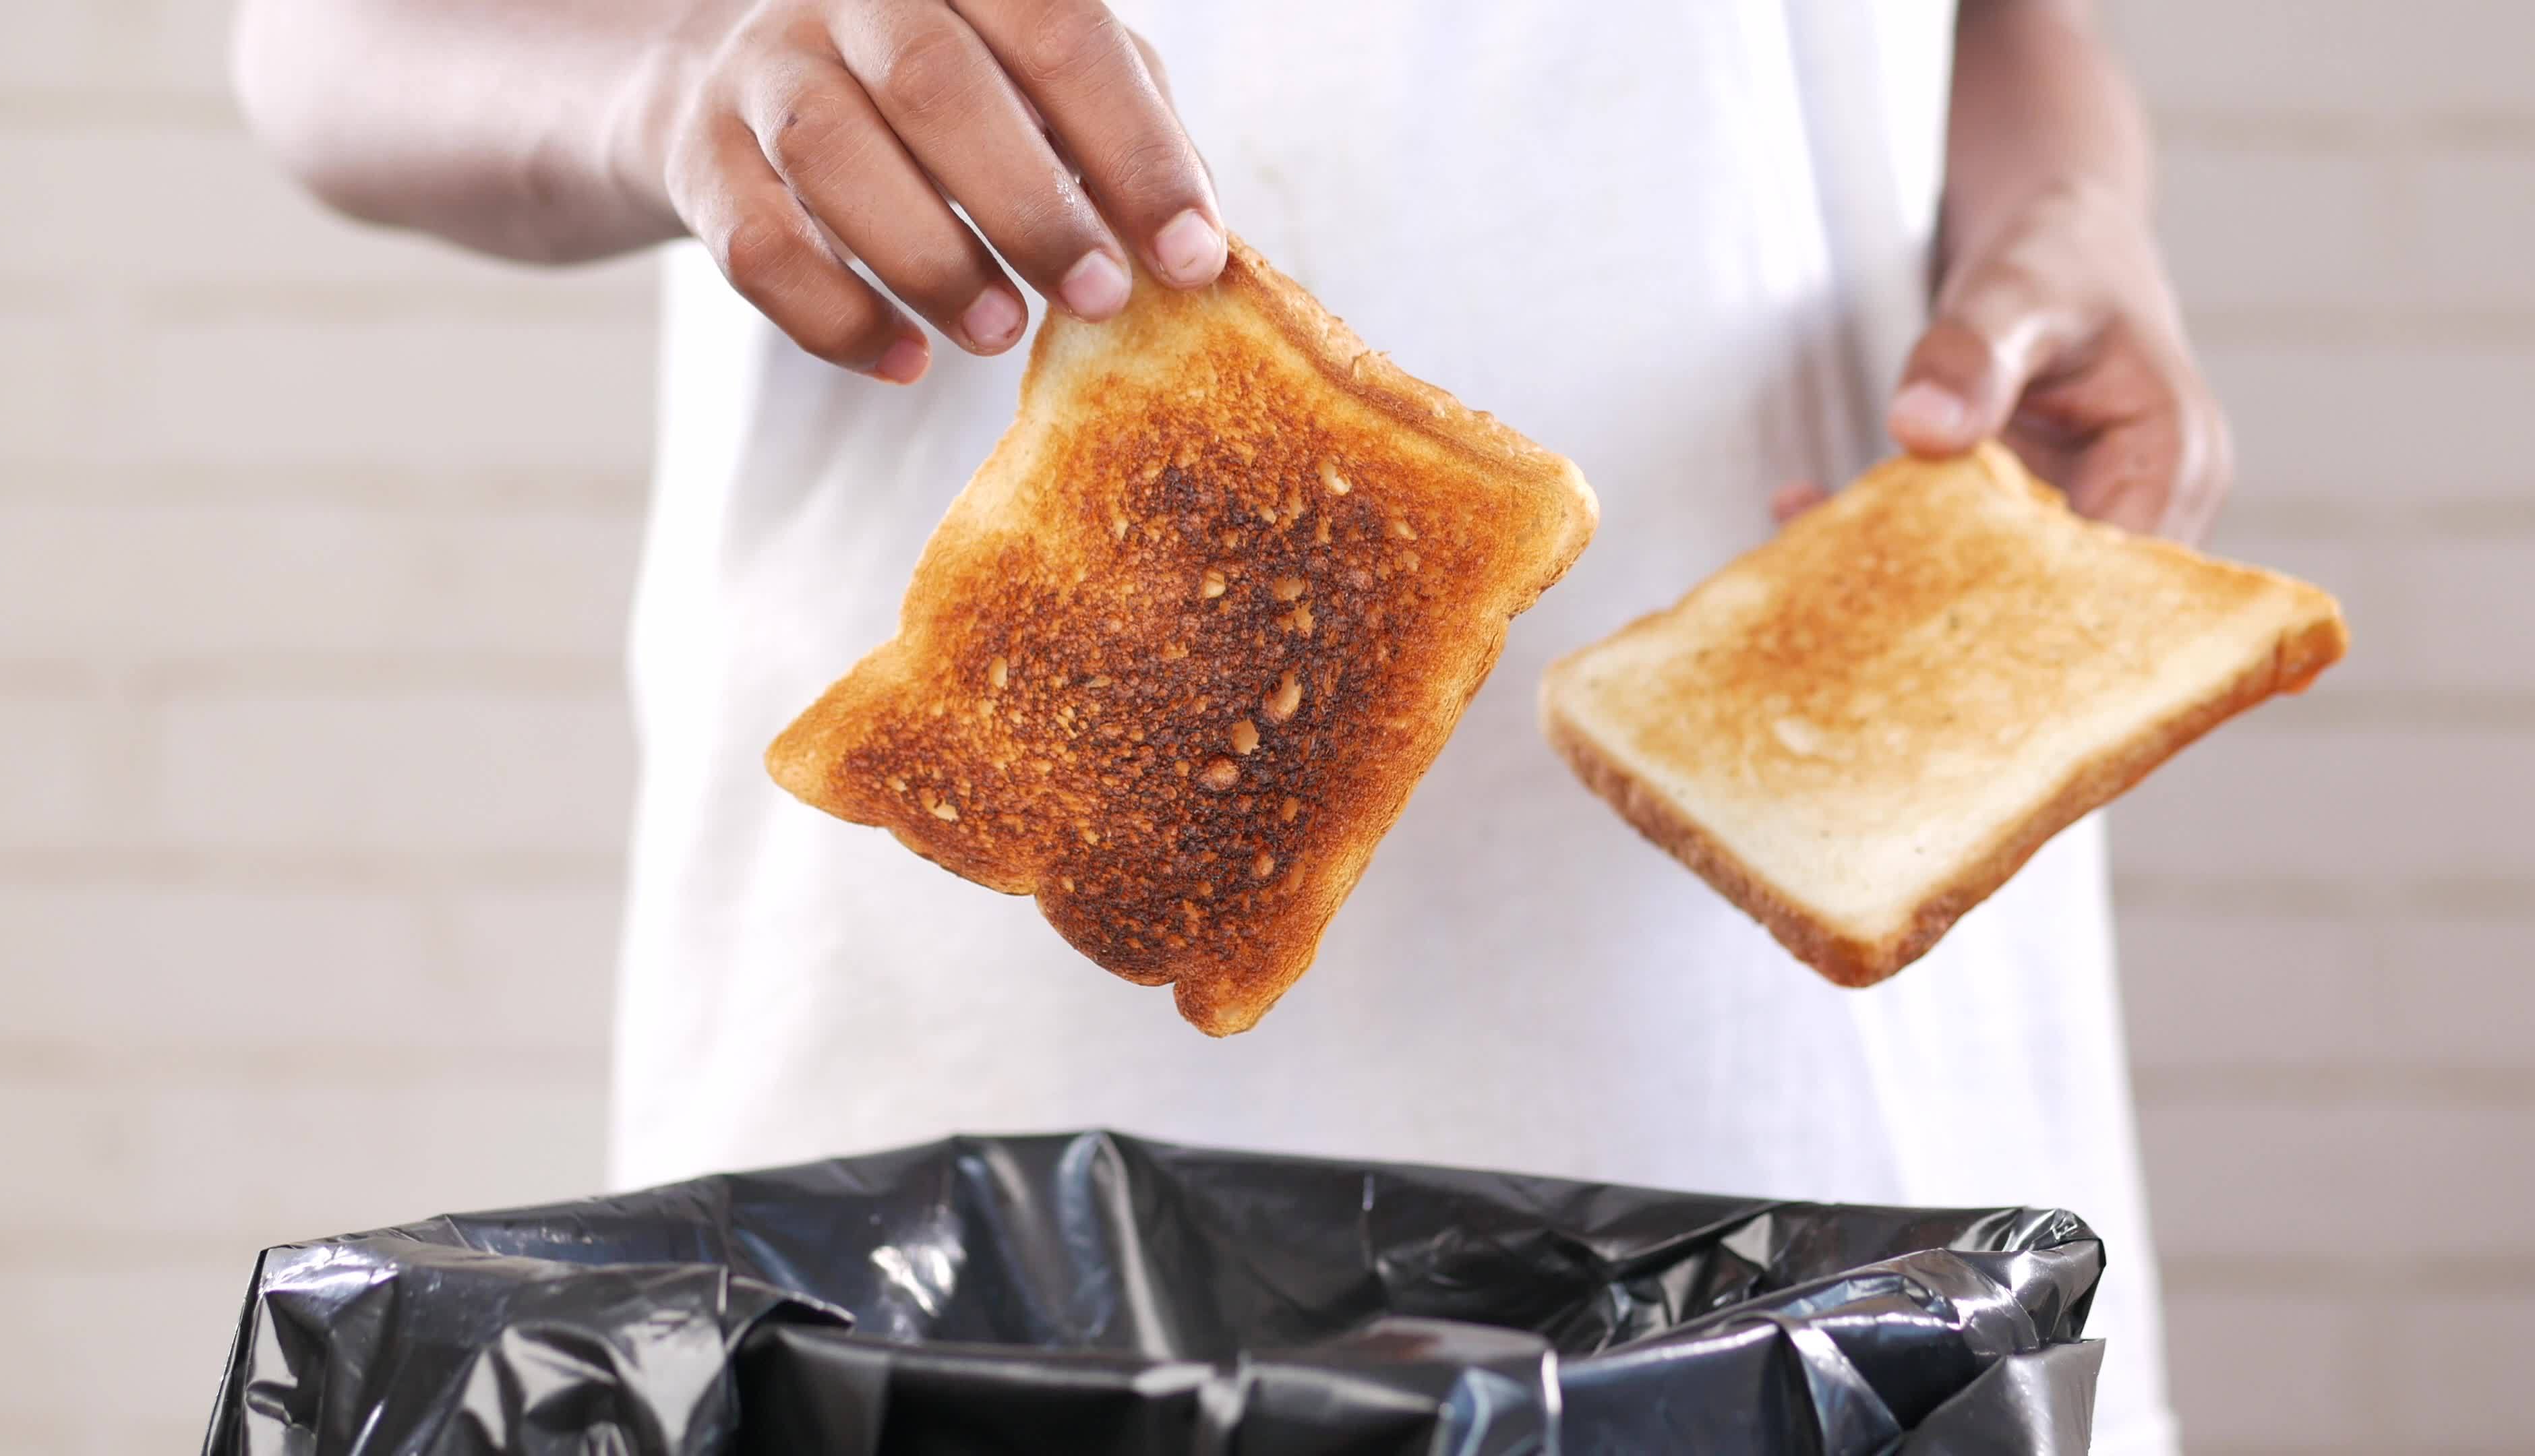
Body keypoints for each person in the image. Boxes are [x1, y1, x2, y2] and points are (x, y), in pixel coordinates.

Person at [235, 3, 2224, 1449]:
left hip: (1812, 1099)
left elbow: (1997, 26)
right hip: (943, 1146)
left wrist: (2068, 211)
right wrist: (680, 80)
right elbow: (328, 43)